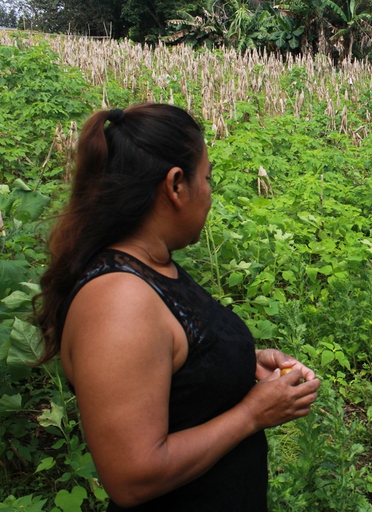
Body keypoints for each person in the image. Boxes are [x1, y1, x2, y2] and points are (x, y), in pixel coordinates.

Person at [35, 103, 320, 511]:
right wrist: (252, 415)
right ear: (175, 185)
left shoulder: (152, 264)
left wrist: (238, 360)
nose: (209, 192)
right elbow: (132, 476)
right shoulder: (118, 301)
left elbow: (168, 357)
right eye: (207, 178)